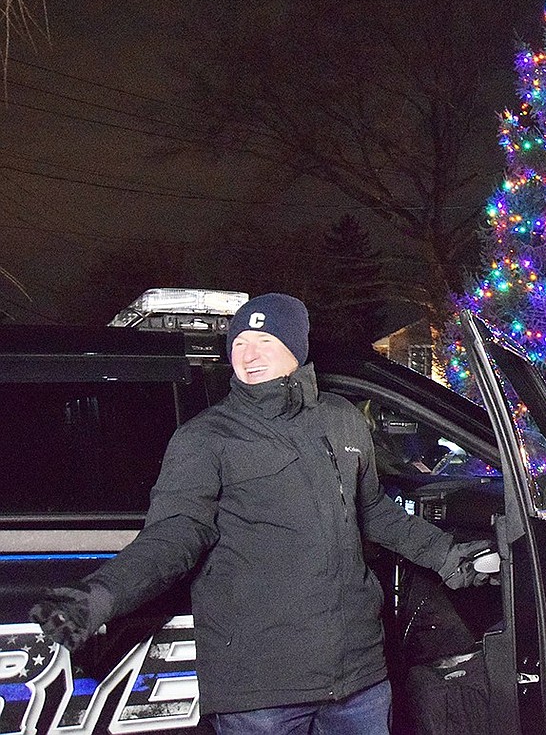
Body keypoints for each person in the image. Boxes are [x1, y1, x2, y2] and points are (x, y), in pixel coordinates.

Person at [31, 293, 488, 734]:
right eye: (239, 344)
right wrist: (100, 598)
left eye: (265, 341)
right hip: (261, 688)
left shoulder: (341, 419)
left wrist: (452, 558)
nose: (249, 354)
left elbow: (372, 510)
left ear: (296, 347)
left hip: (359, 675)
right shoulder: (205, 439)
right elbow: (173, 536)